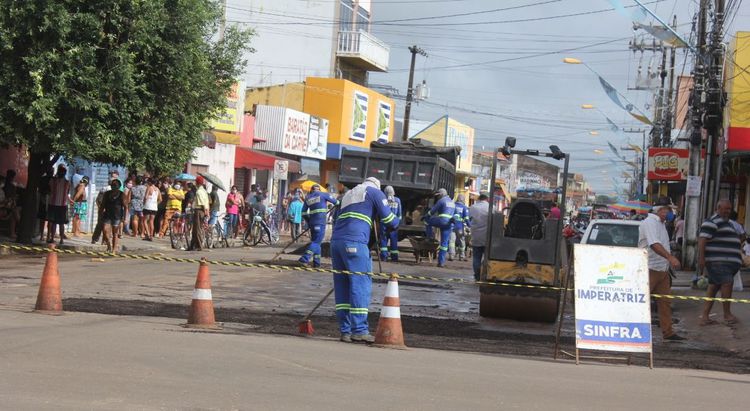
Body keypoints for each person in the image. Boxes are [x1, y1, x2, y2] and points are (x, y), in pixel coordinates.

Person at [330, 177, 399, 343]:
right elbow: (389, 220)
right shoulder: (375, 192)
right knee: (360, 283)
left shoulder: (348, 194)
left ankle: (345, 331)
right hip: (355, 242)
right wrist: (398, 221)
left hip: (336, 243)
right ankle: (359, 330)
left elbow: (336, 217)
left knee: (342, 285)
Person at [638, 197, 685, 341]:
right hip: (649, 268)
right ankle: (633, 330)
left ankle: (668, 331)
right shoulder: (650, 223)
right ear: (660, 210)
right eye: (669, 210)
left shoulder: (661, 224)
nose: (671, 213)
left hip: (662, 269)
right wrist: (670, 257)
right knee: (640, 301)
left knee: (664, 302)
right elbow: (654, 244)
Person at [698, 200, 743, 326]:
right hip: (718, 262)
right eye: (725, 209)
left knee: (713, 287)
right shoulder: (711, 222)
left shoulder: (728, 223)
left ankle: (705, 317)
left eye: (729, 209)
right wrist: (701, 259)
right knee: (726, 283)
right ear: (718, 208)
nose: (728, 211)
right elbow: (702, 240)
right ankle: (727, 315)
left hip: (725, 263)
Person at [298, 184, 338, 268]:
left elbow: (304, 213)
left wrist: (309, 221)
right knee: (316, 242)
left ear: (311, 190)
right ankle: (304, 259)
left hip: (312, 223)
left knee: (317, 243)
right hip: (320, 222)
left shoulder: (308, 198)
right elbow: (336, 202)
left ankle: (316, 262)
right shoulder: (323, 194)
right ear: (319, 189)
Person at [424, 188, 455, 268]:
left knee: (427, 221)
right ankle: (441, 262)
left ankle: (430, 237)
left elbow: (432, 211)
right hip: (448, 224)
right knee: (444, 244)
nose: (437, 197)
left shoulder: (441, 201)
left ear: (441, 195)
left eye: (438, 196)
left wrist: (426, 216)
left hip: (441, 221)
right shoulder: (452, 202)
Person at [47, 165, 70, 245]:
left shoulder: (52, 181)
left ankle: (52, 238)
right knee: (61, 223)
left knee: (53, 222)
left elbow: (49, 190)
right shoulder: (67, 182)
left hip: (53, 204)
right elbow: (67, 192)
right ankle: (61, 240)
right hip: (63, 205)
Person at [101, 180, 126, 253]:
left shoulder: (122, 194)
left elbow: (126, 206)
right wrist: (100, 213)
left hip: (117, 215)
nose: (113, 186)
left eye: (115, 185)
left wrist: (125, 217)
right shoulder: (107, 194)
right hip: (107, 214)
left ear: (119, 186)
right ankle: (109, 245)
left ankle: (114, 249)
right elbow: (102, 204)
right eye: (112, 185)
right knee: (105, 230)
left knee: (115, 232)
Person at [469, 193, 490, 281]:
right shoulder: (491, 207)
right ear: (487, 199)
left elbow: (469, 219)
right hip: (487, 237)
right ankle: (485, 274)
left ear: (479, 199)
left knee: (476, 257)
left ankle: (477, 275)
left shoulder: (473, 207)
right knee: (487, 257)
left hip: (476, 236)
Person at [379, 186, 402, 262]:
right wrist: (397, 223)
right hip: (394, 223)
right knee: (394, 240)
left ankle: (384, 257)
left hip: (384, 222)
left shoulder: (384, 200)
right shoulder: (397, 200)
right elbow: (400, 214)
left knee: (383, 239)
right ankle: (394, 258)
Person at [189, 176, 209, 251]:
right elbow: (206, 202)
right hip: (202, 210)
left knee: (197, 229)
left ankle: (199, 246)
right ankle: (192, 245)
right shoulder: (204, 191)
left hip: (199, 210)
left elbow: (202, 203)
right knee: (195, 229)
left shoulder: (198, 192)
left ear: (197, 183)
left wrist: (205, 212)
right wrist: (207, 212)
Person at [449, 194, 470, 262]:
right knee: (462, 241)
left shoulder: (453, 205)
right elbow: (466, 219)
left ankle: (451, 255)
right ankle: (461, 256)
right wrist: (470, 225)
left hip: (452, 226)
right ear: (463, 200)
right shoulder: (464, 207)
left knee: (452, 241)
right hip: (460, 227)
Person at [0, 169, 19, 238]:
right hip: (4, 206)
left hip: (7, 206)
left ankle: (13, 232)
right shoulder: (9, 186)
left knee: (14, 212)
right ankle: (15, 230)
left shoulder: (4, 186)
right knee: (14, 212)